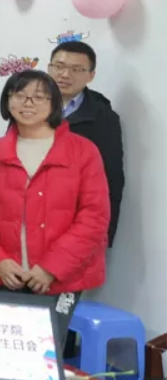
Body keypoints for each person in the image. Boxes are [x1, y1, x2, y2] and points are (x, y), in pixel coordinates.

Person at [0, 70, 110, 346]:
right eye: (19, 95)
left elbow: (94, 217)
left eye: (39, 97)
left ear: (54, 104)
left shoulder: (83, 151)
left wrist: (50, 268)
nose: (28, 103)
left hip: (59, 279)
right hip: (5, 275)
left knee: (45, 354)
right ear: (7, 101)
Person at [47, 37, 124, 245]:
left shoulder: (103, 118)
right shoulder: (27, 107)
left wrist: (104, 235)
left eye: (77, 70)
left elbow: (112, 178)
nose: (65, 75)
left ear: (91, 75)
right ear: (49, 68)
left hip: (75, 226)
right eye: (59, 66)